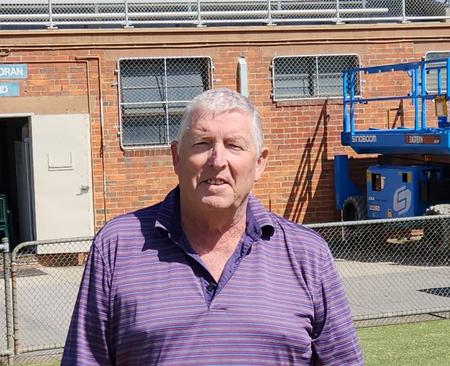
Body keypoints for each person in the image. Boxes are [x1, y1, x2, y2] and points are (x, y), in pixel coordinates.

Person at [62, 88, 363, 365]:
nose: (217, 160)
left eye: (234, 145)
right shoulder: (117, 246)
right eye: (203, 144)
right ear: (176, 157)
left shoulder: (307, 254)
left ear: (260, 163)